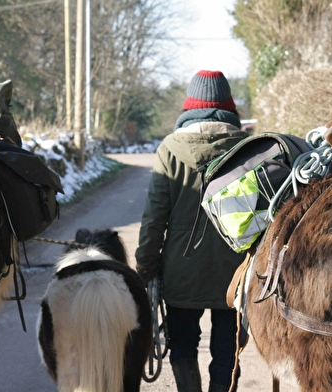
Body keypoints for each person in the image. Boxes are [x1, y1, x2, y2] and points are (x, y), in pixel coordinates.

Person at [135, 70, 248, 392]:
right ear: (229, 106)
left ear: (189, 107)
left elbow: (155, 216)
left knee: (183, 345)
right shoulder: (249, 147)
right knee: (228, 349)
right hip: (235, 272)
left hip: (181, 269)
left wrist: (146, 267)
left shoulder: (171, 147)